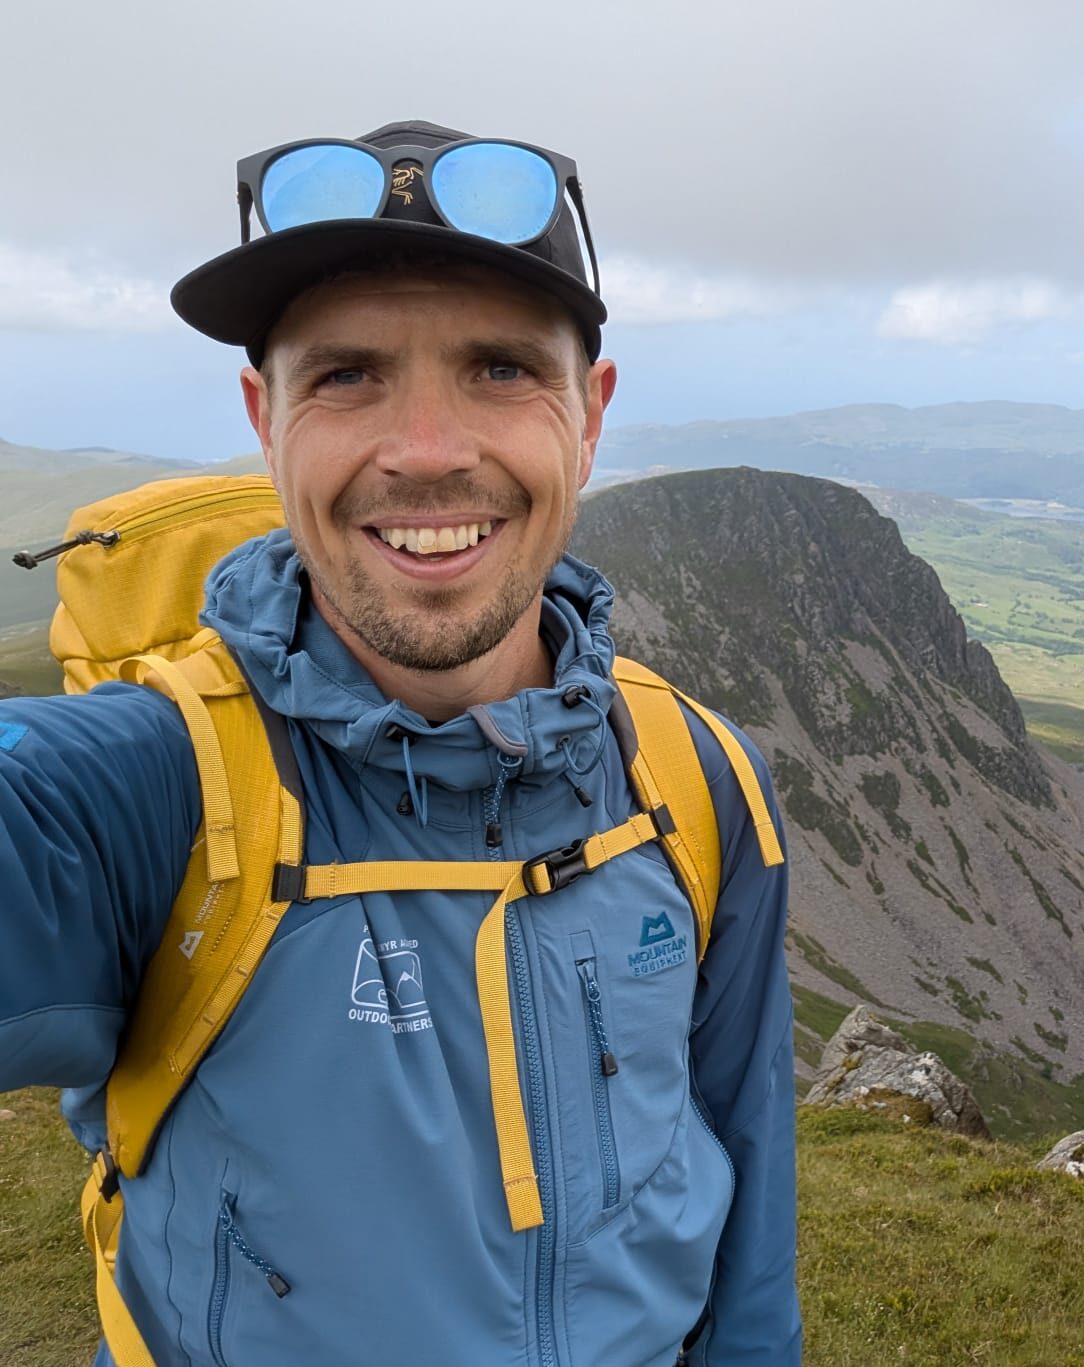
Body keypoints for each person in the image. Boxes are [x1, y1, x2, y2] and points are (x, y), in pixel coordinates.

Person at [0, 119, 801, 1366]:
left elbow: (745, 1189)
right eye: (347, 374)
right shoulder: (148, 784)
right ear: (265, 418)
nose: (426, 451)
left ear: (588, 415)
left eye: (498, 369)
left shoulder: (695, 774)